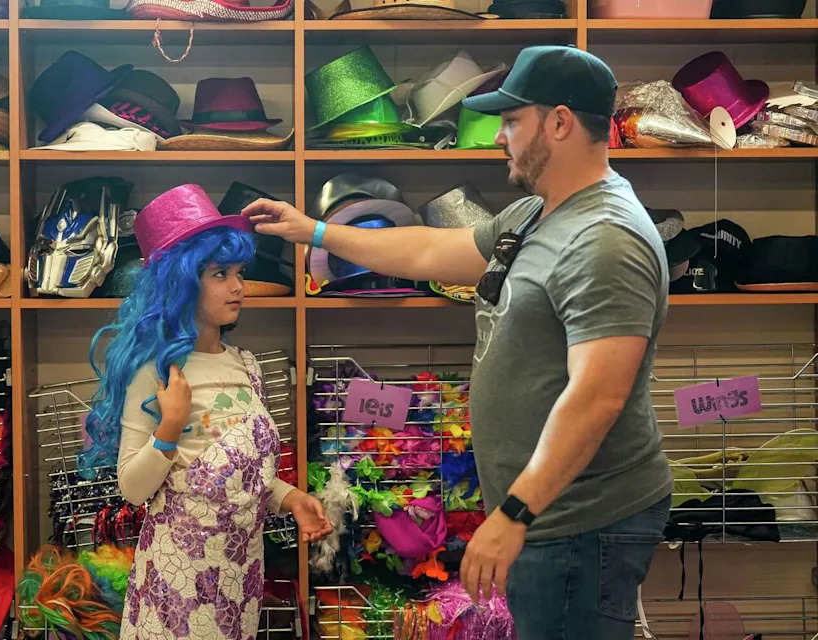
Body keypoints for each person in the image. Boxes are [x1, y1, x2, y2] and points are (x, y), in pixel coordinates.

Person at [243, 46, 673, 639]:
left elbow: (597, 397)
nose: (499, 137)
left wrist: (516, 512)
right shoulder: (537, 214)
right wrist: (313, 231)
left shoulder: (605, 241)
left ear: (560, 122)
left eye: (511, 120)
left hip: (578, 522)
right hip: (552, 517)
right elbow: (428, 251)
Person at [79, 184, 333, 640]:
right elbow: (133, 489)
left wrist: (291, 499)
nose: (238, 286)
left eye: (239, 272)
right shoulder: (156, 372)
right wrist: (170, 426)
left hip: (239, 584)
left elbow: (241, 477)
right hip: (175, 589)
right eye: (220, 274)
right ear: (181, 283)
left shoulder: (247, 367)